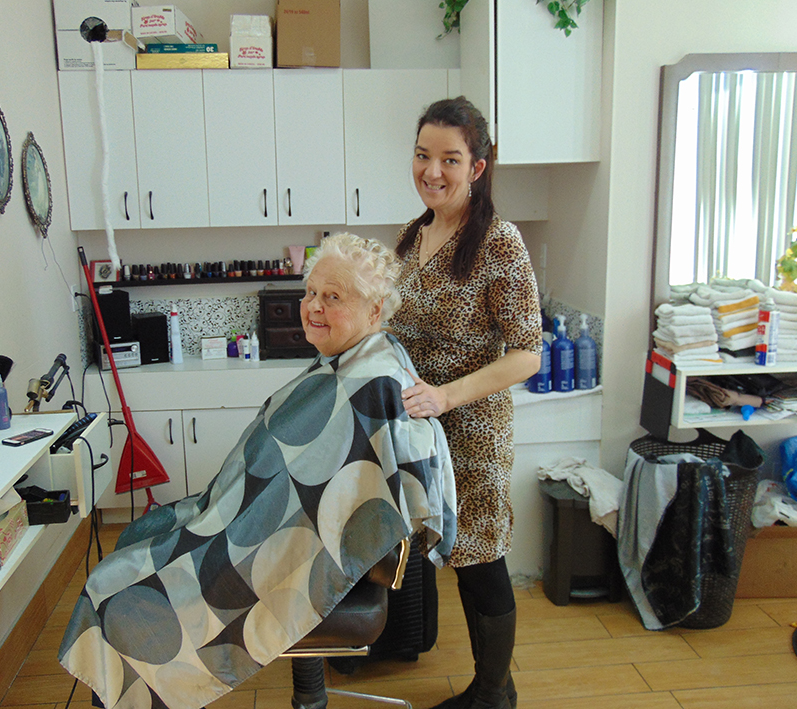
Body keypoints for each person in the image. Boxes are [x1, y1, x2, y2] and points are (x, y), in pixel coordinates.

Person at [59, 233, 456, 709]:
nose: (313, 306)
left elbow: (324, 502)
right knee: (136, 539)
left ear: (374, 311)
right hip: (247, 521)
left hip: (275, 546)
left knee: (116, 595)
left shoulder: (369, 384)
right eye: (311, 292)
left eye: (333, 297)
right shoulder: (358, 359)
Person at [390, 97, 543, 709]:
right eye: (422, 155)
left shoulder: (498, 243)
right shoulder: (413, 234)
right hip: (418, 424)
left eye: (449, 159)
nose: (432, 171)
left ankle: (493, 692)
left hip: (473, 429)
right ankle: (484, 684)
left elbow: (527, 354)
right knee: (438, 548)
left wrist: (446, 395)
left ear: (477, 167)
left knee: (479, 558)